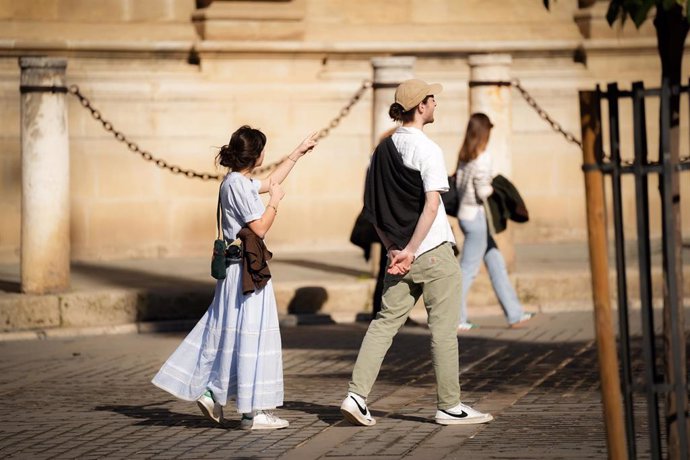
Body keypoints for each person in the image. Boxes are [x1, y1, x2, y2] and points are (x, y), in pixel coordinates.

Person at [340, 79, 493, 426]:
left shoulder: (382, 150)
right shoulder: (429, 149)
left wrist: (395, 249)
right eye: (432, 98)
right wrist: (411, 249)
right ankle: (449, 406)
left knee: (383, 324)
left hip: (399, 258)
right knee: (443, 331)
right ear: (420, 106)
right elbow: (431, 205)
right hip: (434, 251)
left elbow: (372, 208)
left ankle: (355, 395)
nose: (436, 103)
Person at [152, 125, 318, 430]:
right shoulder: (240, 187)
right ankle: (252, 413)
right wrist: (276, 202)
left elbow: (270, 181)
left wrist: (297, 153)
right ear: (256, 155)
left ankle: (217, 395)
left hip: (233, 271)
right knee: (254, 334)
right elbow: (261, 228)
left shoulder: (233, 181)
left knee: (229, 332)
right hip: (247, 273)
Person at [454, 113, 535, 330]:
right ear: (484, 133)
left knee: (496, 264)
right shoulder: (483, 157)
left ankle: (515, 314)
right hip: (477, 219)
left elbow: (461, 186)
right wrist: (493, 185)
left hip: (466, 215)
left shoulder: (464, 156)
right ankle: (456, 319)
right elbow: (482, 191)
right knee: (467, 270)